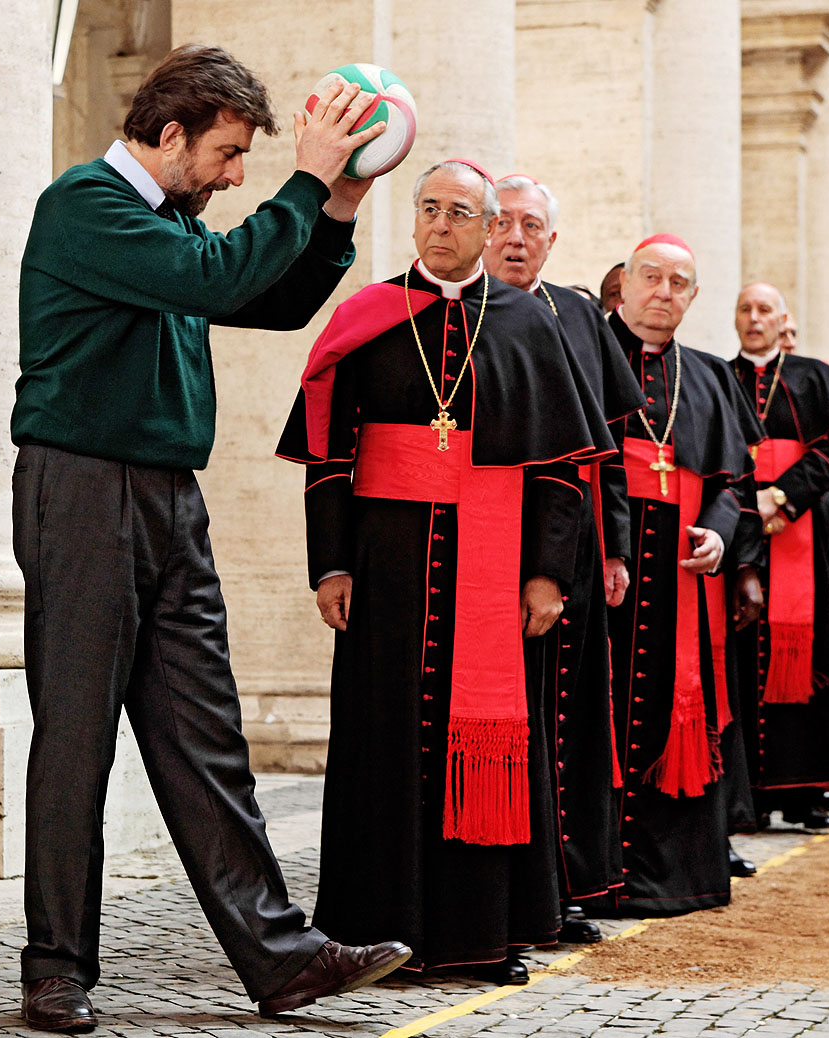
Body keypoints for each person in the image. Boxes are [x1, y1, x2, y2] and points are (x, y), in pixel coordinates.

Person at [9, 44, 411, 1032]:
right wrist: (306, 176)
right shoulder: (85, 207)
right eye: (229, 155)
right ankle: (54, 967)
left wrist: (342, 202)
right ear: (173, 130)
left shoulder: (173, 229)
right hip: (83, 489)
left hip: (169, 503)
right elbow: (227, 278)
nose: (237, 177)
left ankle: (282, 960)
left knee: (206, 737)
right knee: (78, 740)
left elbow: (268, 300)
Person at [276, 159, 611, 987]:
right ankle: (371, 931)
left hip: (495, 581)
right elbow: (328, 455)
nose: (442, 223)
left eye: (462, 211)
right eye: (430, 208)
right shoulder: (365, 316)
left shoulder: (529, 325)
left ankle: (480, 936)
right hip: (385, 571)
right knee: (381, 744)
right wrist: (331, 565)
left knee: (491, 742)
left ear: (490, 226)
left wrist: (548, 575)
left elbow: (563, 470)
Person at [483, 175, 645, 937]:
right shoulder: (458, 307)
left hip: (574, 541)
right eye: (505, 223)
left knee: (572, 721)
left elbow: (609, 448)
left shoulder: (581, 312)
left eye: (533, 226)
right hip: (486, 532)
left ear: (554, 239)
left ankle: (565, 885)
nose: (517, 238)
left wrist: (614, 548)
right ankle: (500, 887)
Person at [596, 234, 764, 914]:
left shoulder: (710, 375)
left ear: (693, 299)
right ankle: (593, 876)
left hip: (681, 575)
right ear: (626, 285)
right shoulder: (584, 352)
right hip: (604, 567)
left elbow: (734, 483)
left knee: (676, 709)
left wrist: (721, 539)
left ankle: (676, 877)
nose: (664, 292)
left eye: (680, 283)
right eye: (652, 278)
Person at [729, 282, 829, 831]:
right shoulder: (720, 376)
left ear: (784, 320)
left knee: (809, 665)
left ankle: (805, 793)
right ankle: (749, 795)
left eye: (764, 311)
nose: (754, 319)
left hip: (802, 534)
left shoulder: (813, 376)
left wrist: (781, 496)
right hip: (740, 536)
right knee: (740, 661)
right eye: (745, 309)